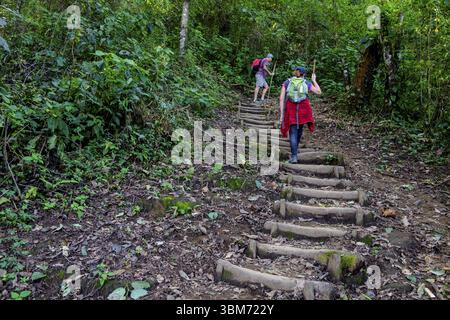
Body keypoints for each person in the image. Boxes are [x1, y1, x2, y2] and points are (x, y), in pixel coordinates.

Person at [279, 66, 321, 164]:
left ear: (295, 73)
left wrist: (282, 114)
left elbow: (281, 98)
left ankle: (294, 155)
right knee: (299, 130)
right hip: (303, 109)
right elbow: (319, 92)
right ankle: (295, 152)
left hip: (291, 108)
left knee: (293, 132)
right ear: (304, 74)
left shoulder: (287, 82)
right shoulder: (306, 82)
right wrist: (314, 80)